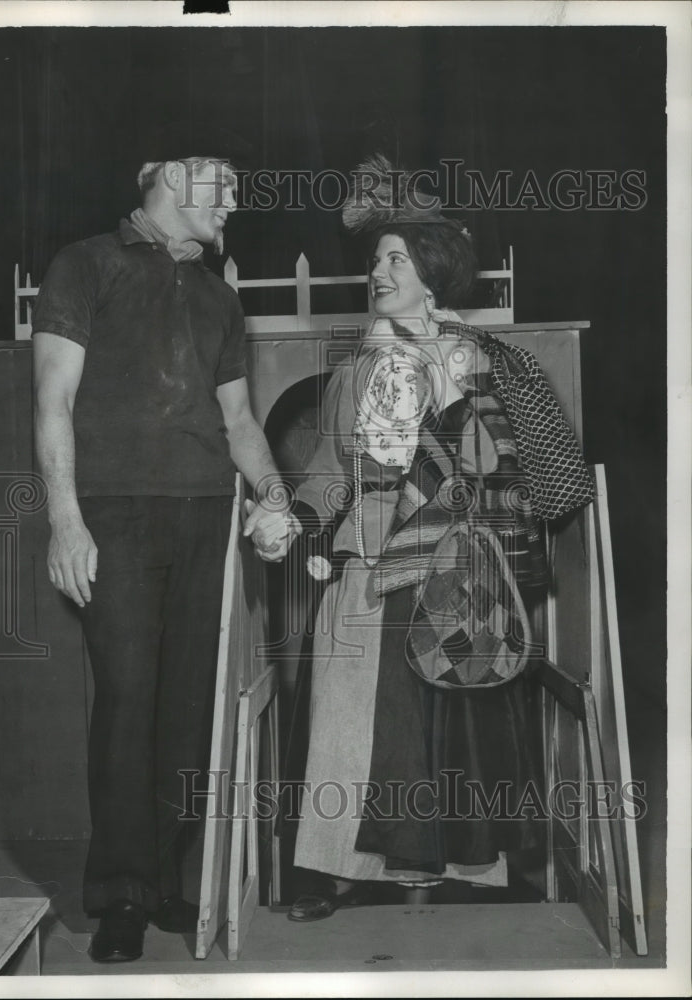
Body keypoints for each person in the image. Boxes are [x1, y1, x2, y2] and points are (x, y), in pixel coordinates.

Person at [283, 155, 592, 921]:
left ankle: (464, 870)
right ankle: (335, 872)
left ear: (431, 274)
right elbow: (331, 469)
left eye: (397, 258)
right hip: (369, 564)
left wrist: (451, 398)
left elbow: (505, 468)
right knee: (348, 715)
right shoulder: (355, 369)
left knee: (461, 712)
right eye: (376, 259)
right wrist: (293, 516)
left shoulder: (479, 360)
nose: (380, 271)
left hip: (457, 566)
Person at [32, 131, 298, 963]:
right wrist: (66, 518)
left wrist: (276, 499)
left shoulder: (220, 295)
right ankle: (119, 895)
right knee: (126, 703)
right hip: (112, 516)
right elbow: (53, 399)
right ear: (172, 184)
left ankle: (171, 880)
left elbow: (239, 423)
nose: (231, 204)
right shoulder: (84, 265)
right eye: (221, 189)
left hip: (202, 518)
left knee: (188, 706)